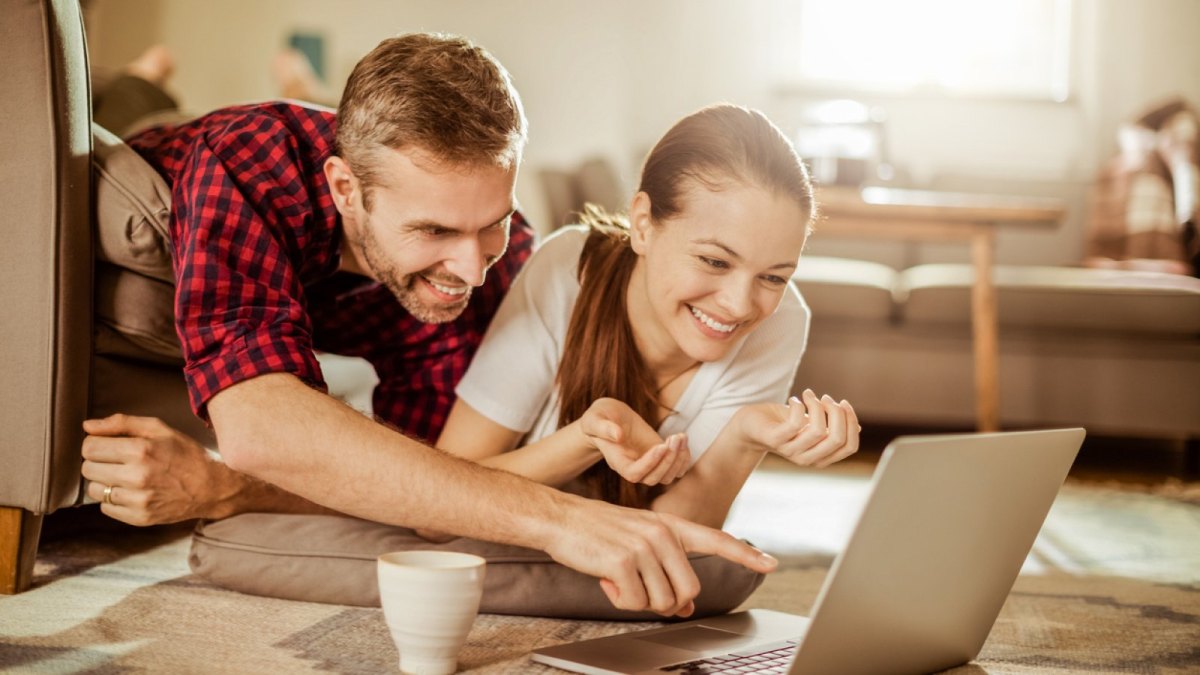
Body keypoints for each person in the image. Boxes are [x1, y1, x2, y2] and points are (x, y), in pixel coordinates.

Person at [80, 33, 777, 618]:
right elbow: (262, 428)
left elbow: (428, 484)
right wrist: (559, 519)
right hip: (165, 145)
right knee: (131, 105)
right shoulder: (249, 162)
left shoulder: (501, 266)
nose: (472, 271)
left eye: (492, 224)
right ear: (344, 189)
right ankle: (146, 78)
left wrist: (226, 486)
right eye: (435, 229)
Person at [432, 104, 859, 538]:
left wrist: (743, 436)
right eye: (714, 261)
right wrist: (586, 439)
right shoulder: (568, 272)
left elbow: (675, 540)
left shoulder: (778, 323)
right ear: (642, 225)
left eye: (773, 276)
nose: (738, 305)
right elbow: (440, 512)